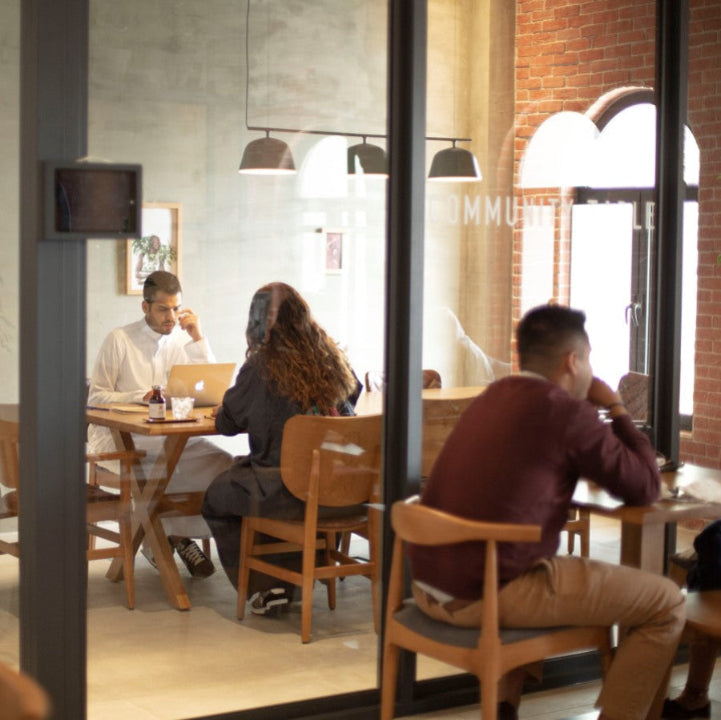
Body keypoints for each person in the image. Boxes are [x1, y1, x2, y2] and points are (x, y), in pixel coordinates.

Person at [407, 303, 686, 720]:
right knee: (667, 603)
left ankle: (504, 707)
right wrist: (618, 408)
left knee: (541, 563)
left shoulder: (494, 395)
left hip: (428, 586)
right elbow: (645, 487)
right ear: (573, 361)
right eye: (588, 361)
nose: (591, 372)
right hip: (482, 594)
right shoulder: (566, 411)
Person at [201, 282, 361, 615]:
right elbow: (351, 402)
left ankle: (268, 584)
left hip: (287, 489)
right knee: (255, 483)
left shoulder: (262, 366)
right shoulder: (333, 357)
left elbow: (227, 425)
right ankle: (300, 568)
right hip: (343, 489)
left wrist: (225, 411)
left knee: (218, 496)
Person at [87, 270, 232, 578]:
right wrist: (140, 396)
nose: (171, 316)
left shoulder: (179, 340)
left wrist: (197, 338)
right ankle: (170, 540)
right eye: (163, 309)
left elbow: (210, 386)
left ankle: (172, 536)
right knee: (166, 469)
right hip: (117, 437)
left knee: (223, 464)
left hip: (165, 435)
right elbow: (96, 397)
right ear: (145, 307)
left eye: (176, 308)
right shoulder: (120, 339)